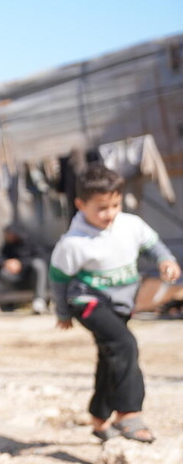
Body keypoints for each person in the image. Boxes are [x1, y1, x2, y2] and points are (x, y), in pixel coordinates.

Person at [49, 164, 180, 444]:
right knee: (124, 345)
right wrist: (62, 312)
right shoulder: (72, 243)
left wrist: (165, 261)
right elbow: (58, 280)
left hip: (121, 304)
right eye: (102, 208)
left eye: (115, 205)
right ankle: (128, 413)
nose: (110, 214)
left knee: (110, 357)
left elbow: (152, 245)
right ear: (81, 204)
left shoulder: (130, 225)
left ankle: (98, 418)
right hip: (87, 302)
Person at [0, 222, 50, 314]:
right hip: (16, 279)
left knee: (38, 264)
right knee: (3, 272)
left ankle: (39, 300)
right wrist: (7, 263)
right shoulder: (8, 245)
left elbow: (43, 257)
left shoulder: (31, 242)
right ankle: (6, 301)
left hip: (31, 277)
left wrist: (21, 264)